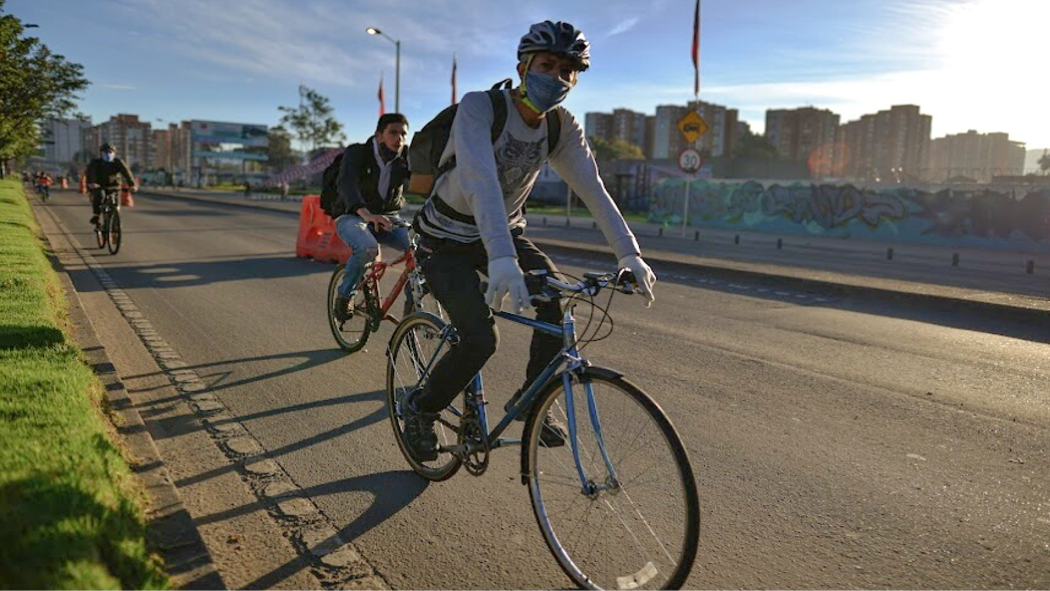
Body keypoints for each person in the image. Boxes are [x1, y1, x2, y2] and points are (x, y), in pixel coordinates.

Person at [403, 21, 658, 461]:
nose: (556, 77)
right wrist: (501, 257)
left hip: (503, 233)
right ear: (522, 66)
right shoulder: (481, 108)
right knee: (481, 337)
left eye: (568, 71)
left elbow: (592, 188)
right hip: (444, 239)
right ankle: (421, 410)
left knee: (557, 303)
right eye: (547, 65)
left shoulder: (559, 127)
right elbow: (479, 179)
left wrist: (628, 252)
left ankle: (531, 402)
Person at [331, 113, 412, 322]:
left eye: (403, 133)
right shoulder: (358, 152)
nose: (399, 138)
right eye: (393, 132)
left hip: (387, 218)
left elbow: (429, 182)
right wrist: (366, 213)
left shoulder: (405, 158)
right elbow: (346, 183)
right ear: (378, 135)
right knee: (368, 248)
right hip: (352, 215)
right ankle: (345, 295)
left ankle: (413, 309)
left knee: (420, 249)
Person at [85, 143, 137, 225]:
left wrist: (132, 185)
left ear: (114, 153)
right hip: (100, 186)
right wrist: (91, 184)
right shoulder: (95, 163)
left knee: (116, 205)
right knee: (99, 197)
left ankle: (116, 223)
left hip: (115, 186)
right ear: (101, 153)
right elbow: (89, 174)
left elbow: (127, 173)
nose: (108, 154)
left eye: (110, 152)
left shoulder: (118, 162)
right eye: (105, 152)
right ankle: (96, 215)